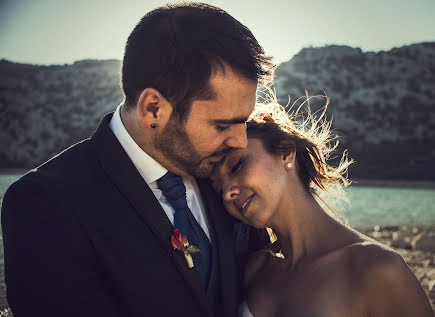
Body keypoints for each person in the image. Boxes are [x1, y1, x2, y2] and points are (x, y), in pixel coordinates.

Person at [1, 3, 274, 316]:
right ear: (153, 109)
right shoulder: (48, 204)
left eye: (244, 121)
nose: (239, 141)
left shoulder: (229, 173)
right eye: (222, 125)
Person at [211, 95, 433, 317]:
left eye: (237, 165)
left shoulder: (375, 268)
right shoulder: (257, 269)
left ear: (285, 152)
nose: (228, 192)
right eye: (219, 188)